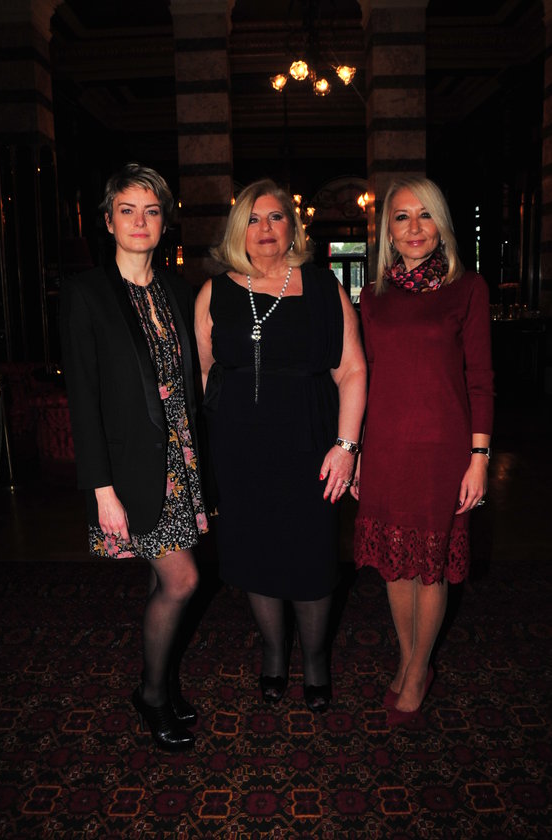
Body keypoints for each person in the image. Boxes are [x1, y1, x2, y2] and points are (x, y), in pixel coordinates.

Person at [195, 179, 366, 712]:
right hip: (240, 453)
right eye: (252, 218)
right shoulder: (213, 292)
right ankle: (273, 652)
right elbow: (203, 374)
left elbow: (353, 370)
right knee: (255, 553)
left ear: (293, 227)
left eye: (275, 217)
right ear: (236, 230)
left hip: (311, 446)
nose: (264, 228)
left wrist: (347, 446)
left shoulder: (323, 287)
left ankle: (314, 659)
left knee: (312, 556)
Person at [60, 163, 209, 751]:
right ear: (108, 221)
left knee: (162, 579)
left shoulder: (178, 290)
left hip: (180, 464)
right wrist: (101, 490)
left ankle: (161, 682)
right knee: (183, 579)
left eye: (151, 211)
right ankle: (151, 693)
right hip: (127, 472)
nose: (140, 221)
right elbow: (83, 399)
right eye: (127, 210)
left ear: (165, 222)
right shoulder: (86, 294)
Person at [351, 176, 494, 725]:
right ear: (387, 230)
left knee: (428, 566)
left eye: (425, 215)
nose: (414, 228)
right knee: (395, 564)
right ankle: (412, 660)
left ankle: (415, 671)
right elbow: (364, 377)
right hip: (386, 447)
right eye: (402, 216)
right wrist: (357, 450)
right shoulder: (372, 297)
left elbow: (480, 379)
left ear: (441, 224)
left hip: (442, 450)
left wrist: (479, 459)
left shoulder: (468, 289)